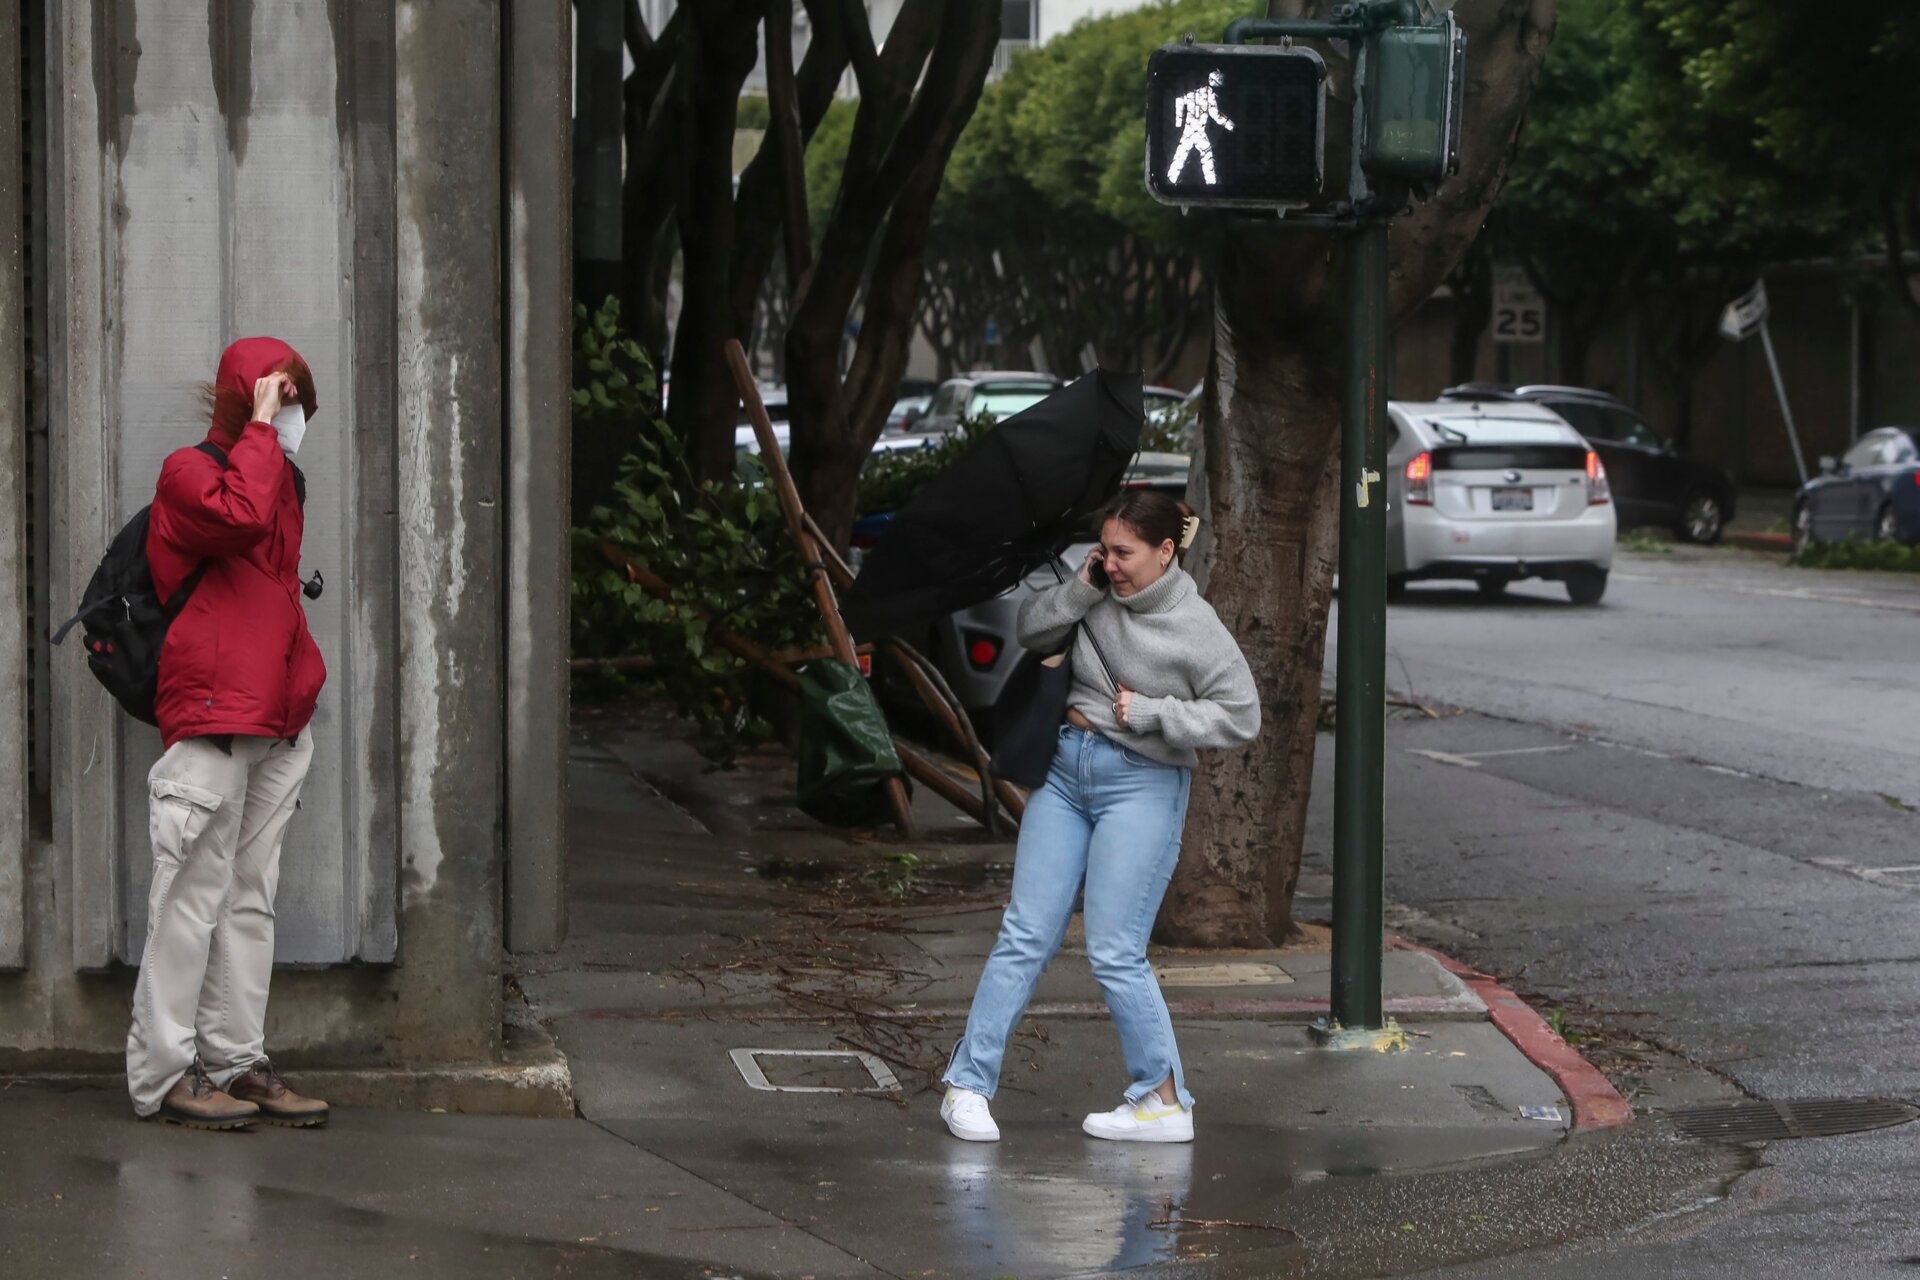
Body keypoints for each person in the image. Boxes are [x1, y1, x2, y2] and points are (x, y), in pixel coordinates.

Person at [941, 489, 1259, 1144]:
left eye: (1124, 553)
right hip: (1064, 772)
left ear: (1166, 551)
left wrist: (1150, 713)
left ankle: (1163, 1100)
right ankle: (967, 1086)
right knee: (1025, 931)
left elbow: (1240, 716)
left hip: (1141, 783)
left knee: (1115, 949)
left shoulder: (1196, 628)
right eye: (1105, 549)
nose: (1110, 563)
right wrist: (1082, 588)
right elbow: (1031, 629)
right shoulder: (1093, 591)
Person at [126, 337, 330, 1130]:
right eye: (282, 395)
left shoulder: (279, 479)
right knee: (188, 903)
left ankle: (238, 1062)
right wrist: (259, 427)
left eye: (298, 400)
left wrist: (299, 695)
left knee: (249, 901)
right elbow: (237, 520)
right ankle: (165, 1076)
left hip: (275, 724)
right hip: (212, 723)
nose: (292, 413)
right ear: (245, 397)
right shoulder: (190, 473)